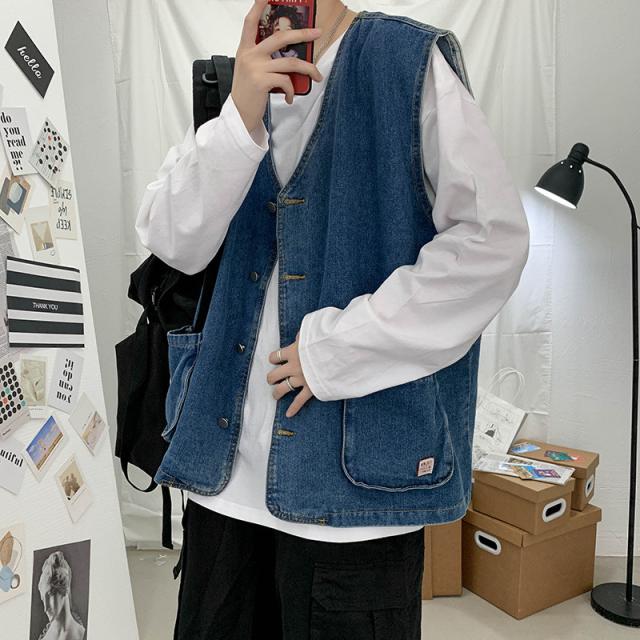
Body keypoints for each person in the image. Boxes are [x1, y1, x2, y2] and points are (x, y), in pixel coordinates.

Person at [135, 0, 530, 637]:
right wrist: (240, 116)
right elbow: (173, 242)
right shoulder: (237, 81)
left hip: (355, 494)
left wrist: (337, 350)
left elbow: (491, 242)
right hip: (224, 478)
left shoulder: (406, 63)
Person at [36, 551, 85, 640]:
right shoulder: (45, 637)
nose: (45, 608)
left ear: (65, 590)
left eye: (50, 595)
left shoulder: (81, 633)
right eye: (43, 599)